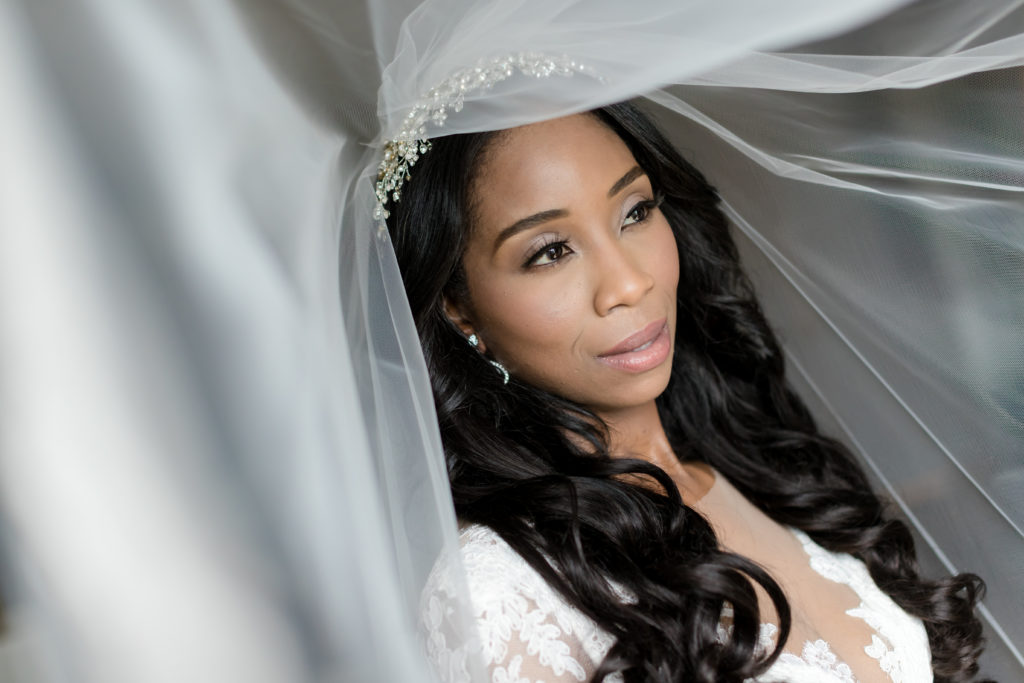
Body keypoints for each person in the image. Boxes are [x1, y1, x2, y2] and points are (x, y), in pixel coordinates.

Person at [384, 101, 988, 682]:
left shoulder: (760, 465)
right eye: (551, 251)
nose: (628, 281)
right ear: (459, 309)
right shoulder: (499, 590)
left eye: (635, 211)